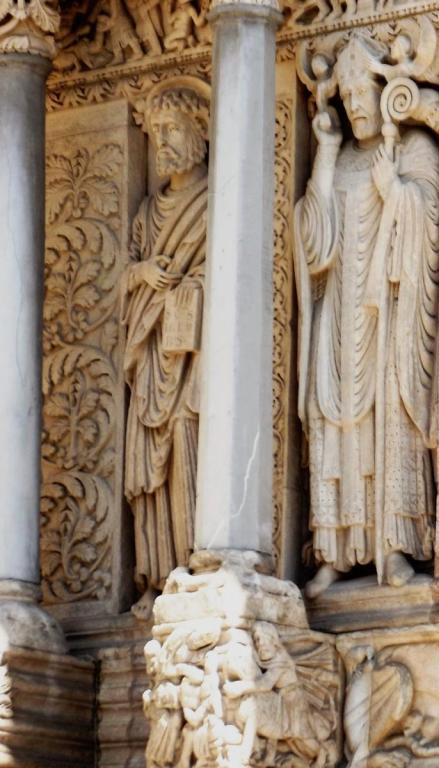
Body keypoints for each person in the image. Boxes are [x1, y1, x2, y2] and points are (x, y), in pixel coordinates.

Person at [295, 35, 439, 596]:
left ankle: (393, 546)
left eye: (365, 91)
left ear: (388, 91)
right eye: (348, 94)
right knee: (336, 425)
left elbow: (431, 221)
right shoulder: (336, 159)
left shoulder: (414, 150)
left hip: (391, 314)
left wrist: (397, 191)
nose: (356, 104)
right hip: (339, 312)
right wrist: (327, 157)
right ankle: (334, 550)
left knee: (390, 421)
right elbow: (314, 245)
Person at [122, 77, 210, 618]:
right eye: (156, 134)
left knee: (186, 450)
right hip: (150, 349)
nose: (164, 144)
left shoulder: (215, 202)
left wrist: (187, 288)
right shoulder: (147, 212)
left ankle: (195, 565)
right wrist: (142, 274)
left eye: (173, 130)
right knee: (144, 464)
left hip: (193, 354)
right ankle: (155, 577)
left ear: (201, 133)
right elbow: (123, 273)